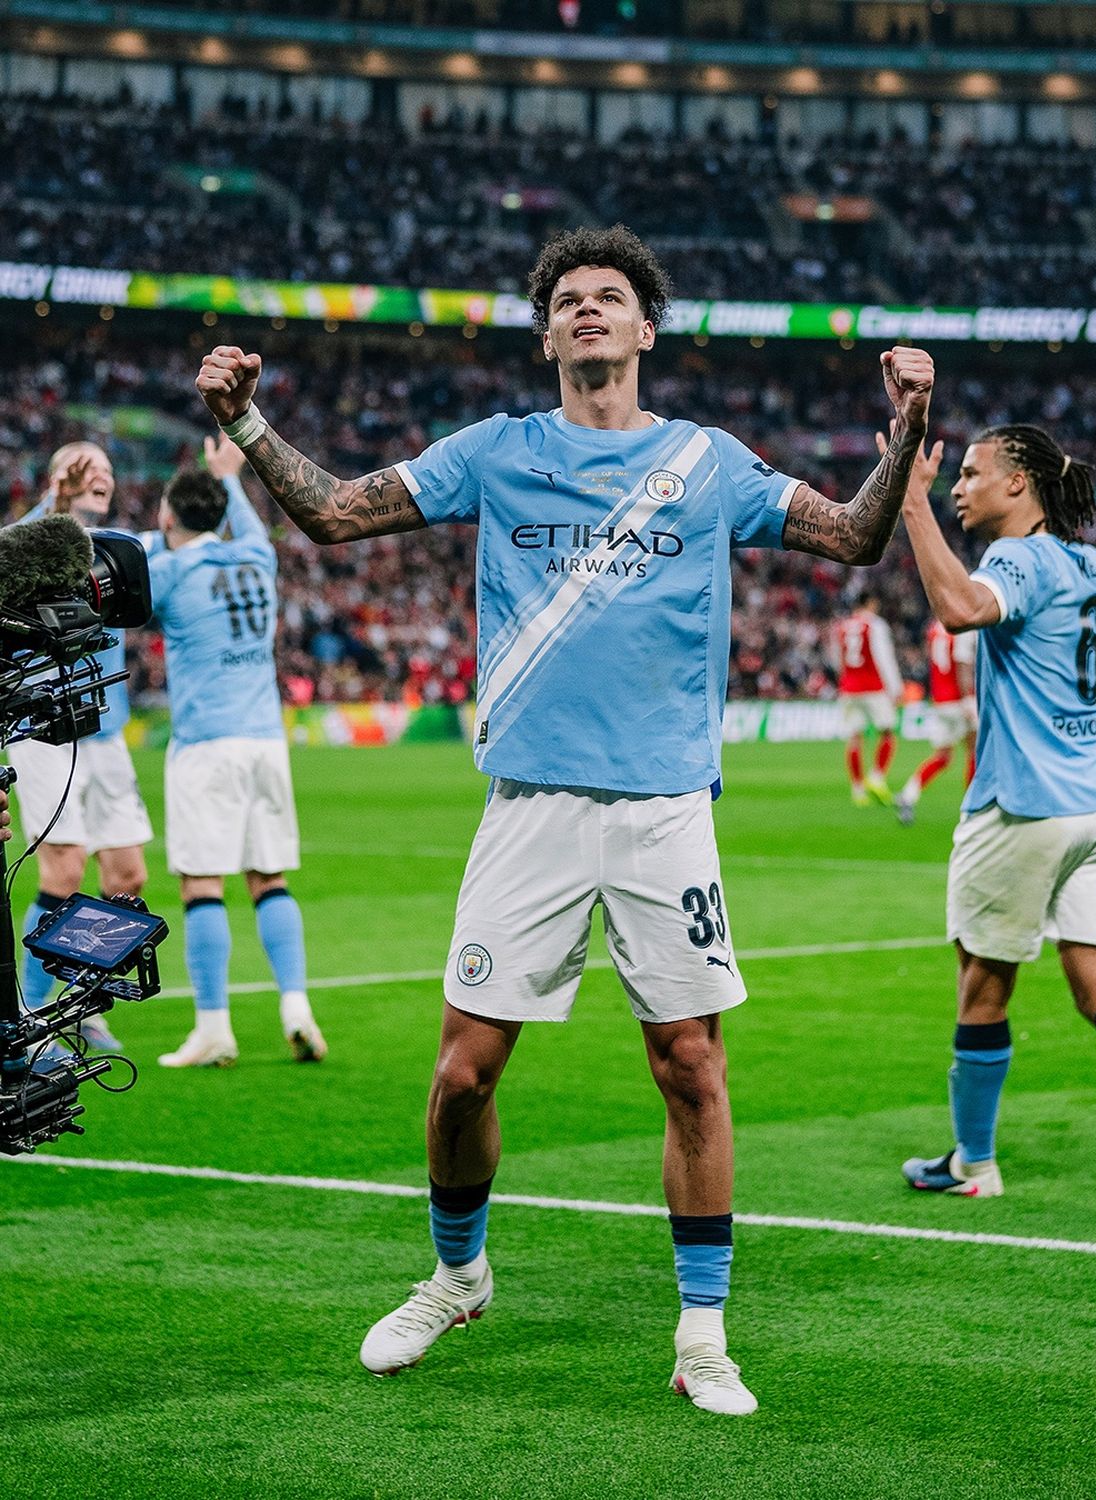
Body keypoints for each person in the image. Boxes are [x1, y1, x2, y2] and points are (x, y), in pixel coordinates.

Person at [195, 224, 935, 1416]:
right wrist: (244, 423)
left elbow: (852, 538)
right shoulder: (496, 451)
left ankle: (702, 1332)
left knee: (689, 1064)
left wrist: (904, 434)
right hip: (529, 806)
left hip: (663, 811)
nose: (588, 309)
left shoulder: (705, 461)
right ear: (546, 337)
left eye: (610, 297)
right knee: (462, 1075)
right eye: (568, 301)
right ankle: (457, 1274)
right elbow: (334, 513)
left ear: (646, 329)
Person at [895, 421, 1096, 1217]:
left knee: (982, 987)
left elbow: (960, 609)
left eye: (971, 472)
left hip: (1026, 804)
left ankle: (975, 1162)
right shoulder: (1095, 564)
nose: (958, 486)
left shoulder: (1015, 558)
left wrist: (912, 505)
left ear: (1019, 482)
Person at [146, 435, 326, 1069]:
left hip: (206, 745)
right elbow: (242, 520)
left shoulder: (170, 571)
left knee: (202, 885)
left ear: (168, 516)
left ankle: (214, 1028)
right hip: (265, 742)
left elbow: (124, 571)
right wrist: (229, 475)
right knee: (268, 878)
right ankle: (297, 1008)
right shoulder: (255, 554)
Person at [6, 443, 152, 1051]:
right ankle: (31, 1013)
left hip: (105, 730)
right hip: (44, 731)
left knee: (128, 876)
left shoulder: (117, 552)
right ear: (59, 479)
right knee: (64, 871)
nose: (102, 478)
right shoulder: (30, 544)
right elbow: (12, 557)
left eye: (108, 470)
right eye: (87, 468)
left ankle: (80, 1005)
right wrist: (57, 503)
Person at [894, 618, 976, 825]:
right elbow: (962, 664)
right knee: (975, 752)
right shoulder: (962, 627)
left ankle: (908, 794)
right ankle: (973, 809)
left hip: (940, 700)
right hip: (959, 700)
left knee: (942, 756)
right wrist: (967, 698)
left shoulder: (934, 628)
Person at [830, 593, 902, 806]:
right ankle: (877, 778)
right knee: (887, 732)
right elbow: (883, 657)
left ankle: (858, 790)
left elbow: (836, 658)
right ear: (870, 603)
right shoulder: (875, 625)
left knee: (855, 737)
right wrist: (895, 688)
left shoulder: (842, 626)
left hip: (849, 688)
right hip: (873, 687)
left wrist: (844, 680)